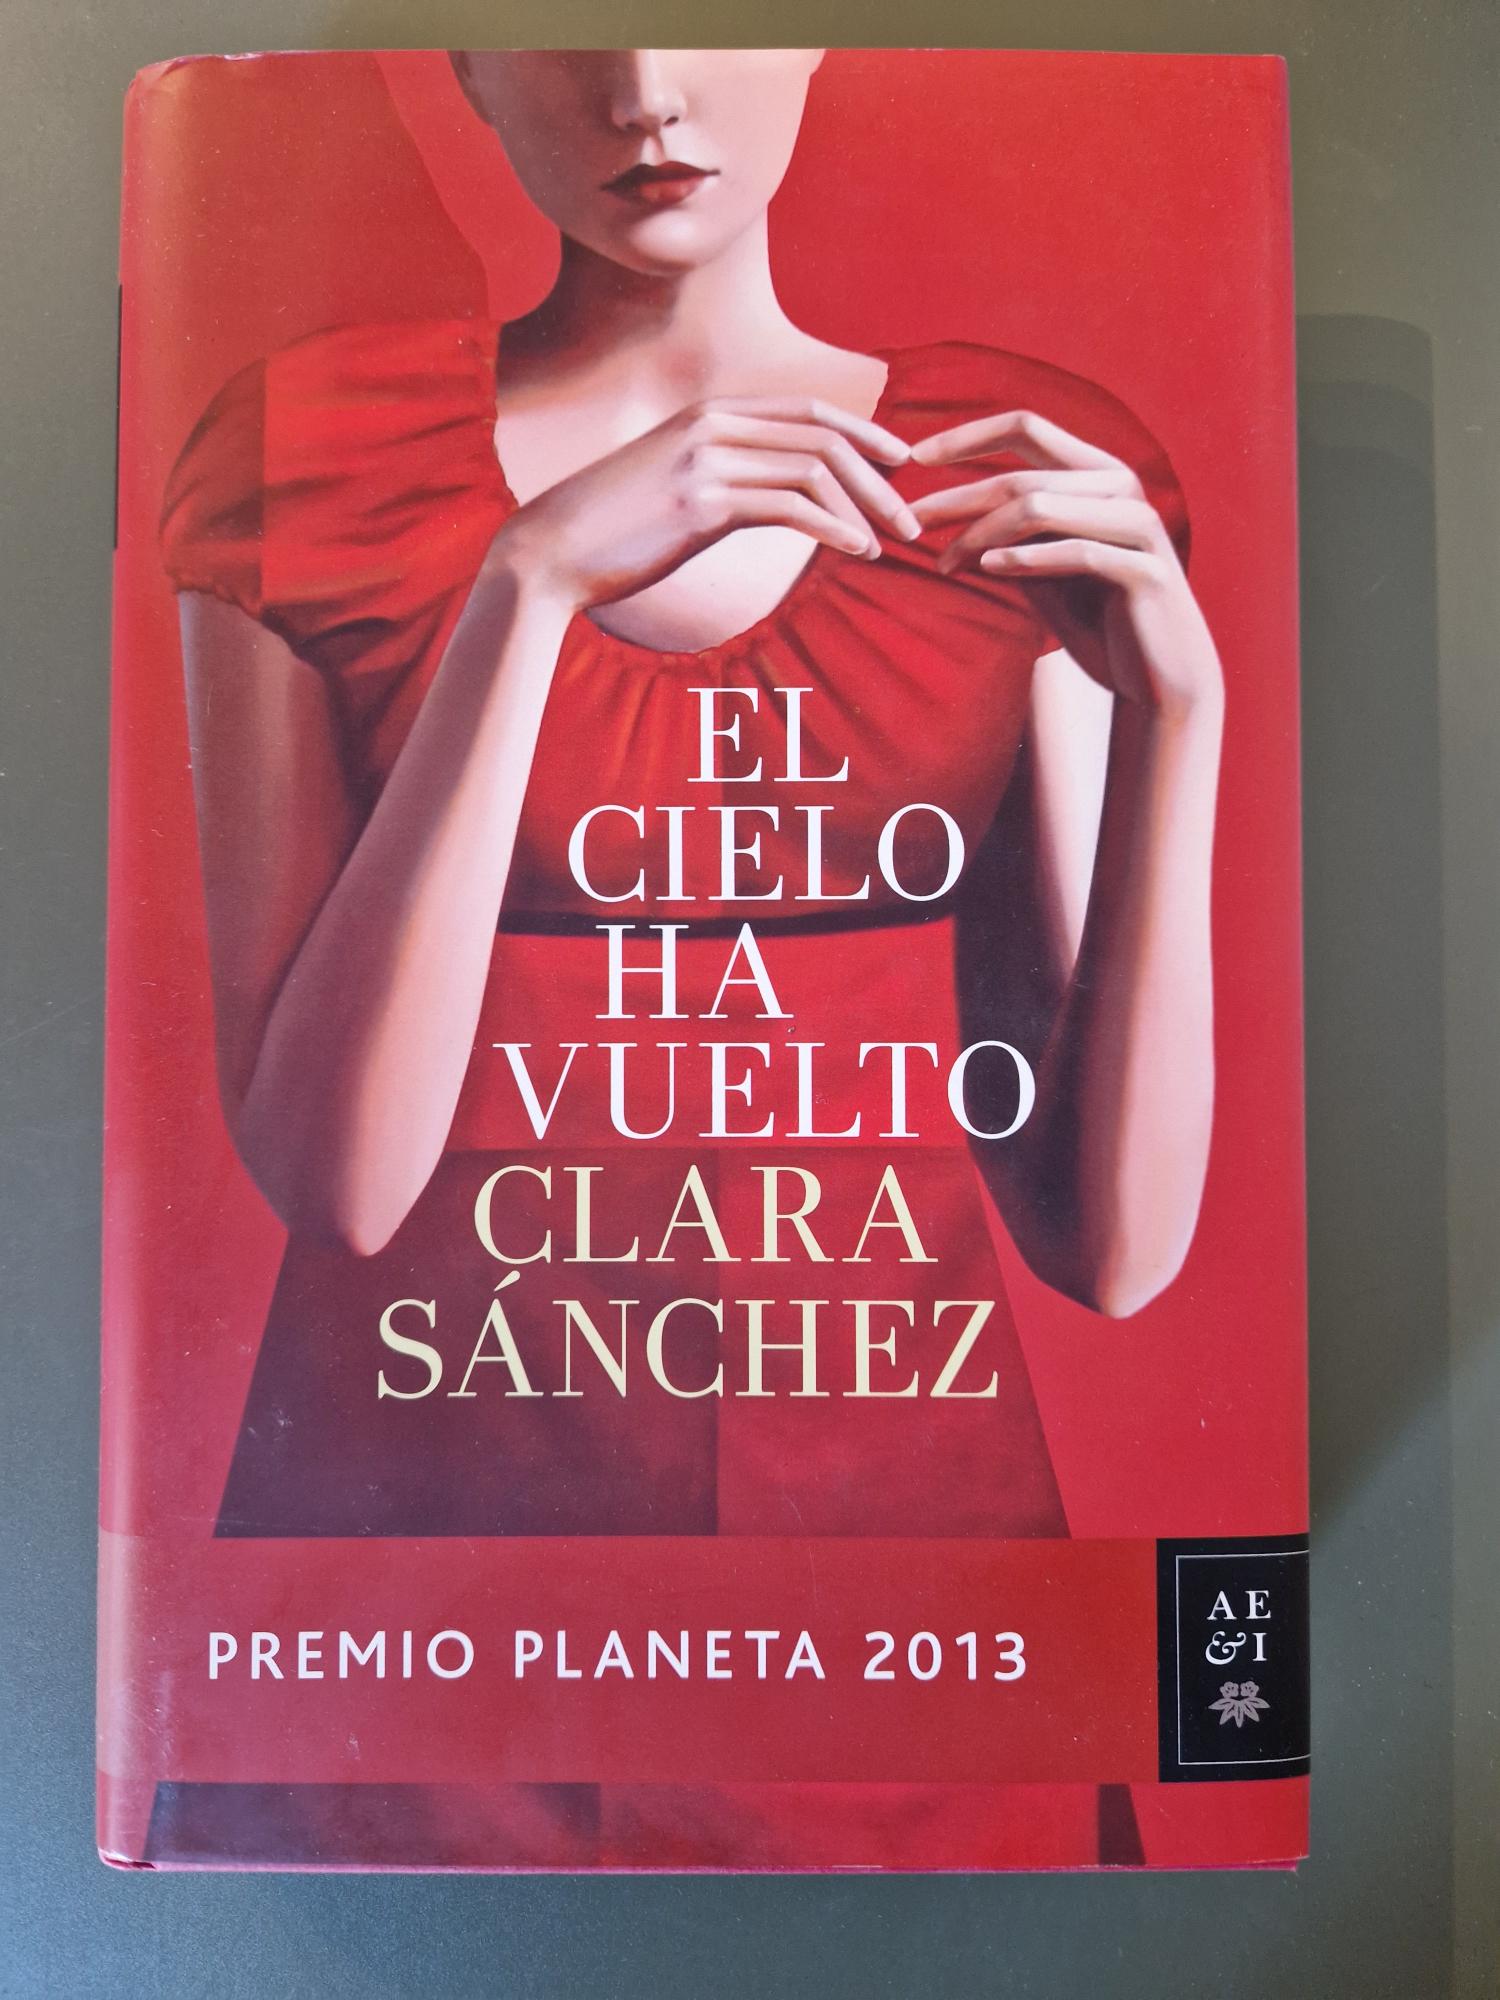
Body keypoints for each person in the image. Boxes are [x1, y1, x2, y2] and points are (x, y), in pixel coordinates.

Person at [156, 49, 1223, 1867]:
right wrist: (527, 583)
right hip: (424, 1628)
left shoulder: (1013, 469)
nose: (648, 91)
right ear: (471, 65)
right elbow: (340, 1186)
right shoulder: (312, 457)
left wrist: (1181, 717)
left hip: (905, 1612)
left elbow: (1115, 1252)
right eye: (570, 25)